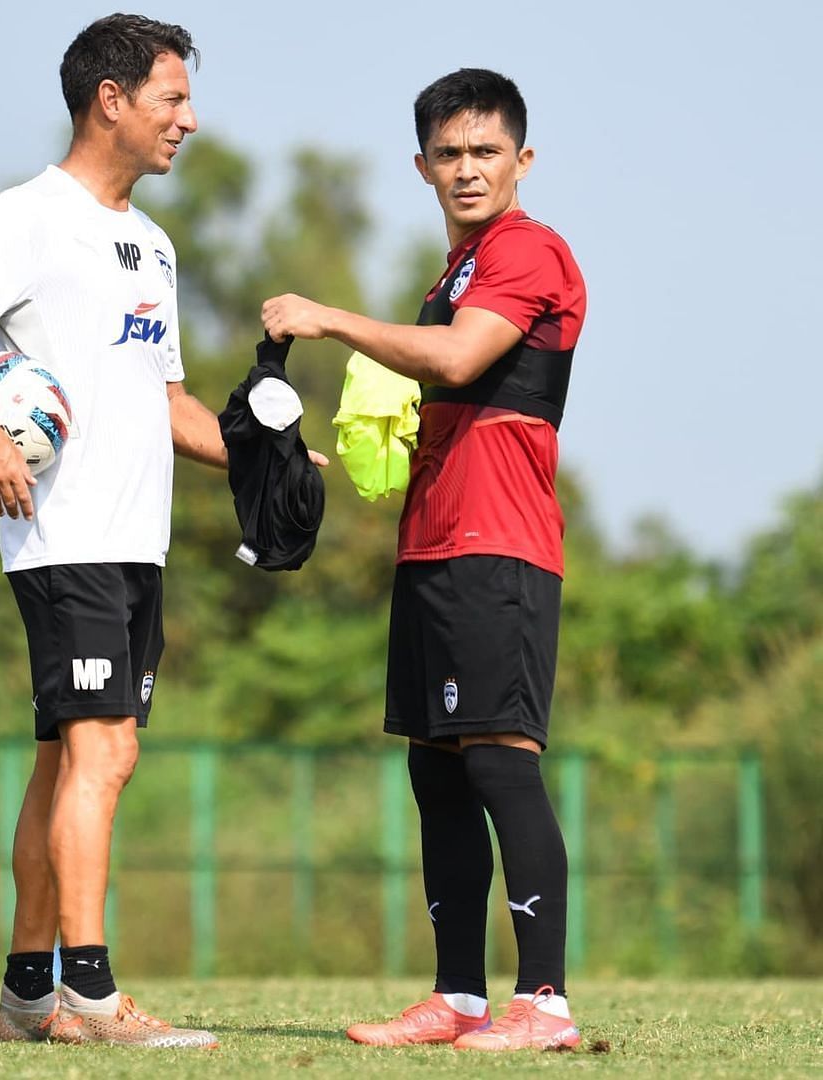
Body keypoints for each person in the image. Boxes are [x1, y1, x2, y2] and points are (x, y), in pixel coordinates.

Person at [0, 14, 227, 1049]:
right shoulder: (27, 217)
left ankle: (27, 996)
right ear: (111, 99)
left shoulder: (155, 245)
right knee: (106, 750)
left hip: (139, 541)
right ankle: (91, 991)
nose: (189, 119)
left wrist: (264, 465)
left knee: (66, 764)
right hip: (64, 534)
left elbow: (166, 402)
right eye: (172, 98)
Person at [262, 68, 586, 1053]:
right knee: (438, 777)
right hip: (434, 547)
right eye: (447, 153)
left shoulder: (529, 252)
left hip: (502, 548)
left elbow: (452, 362)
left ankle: (545, 1005)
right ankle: (459, 998)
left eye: (486, 151)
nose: (466, 169)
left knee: (499, 764)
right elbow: (432, 391)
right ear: (421, 165)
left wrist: (327, 319)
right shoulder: (450, 277)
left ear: (522, 161)